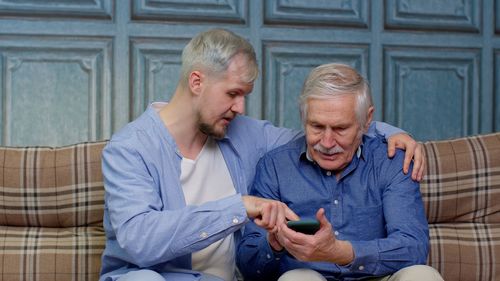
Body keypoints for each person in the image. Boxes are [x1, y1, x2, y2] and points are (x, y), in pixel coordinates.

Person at [99, 29, 426, 281]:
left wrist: (390, 132)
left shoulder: (242, 133)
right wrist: (240, 206)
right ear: (196, 81)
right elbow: (139, 239)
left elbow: (320, 135)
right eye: (233, 93)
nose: (240, 107)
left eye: (244, 96)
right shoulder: (129, 149)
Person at [237, 63, 443, 281]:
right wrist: (274, 244)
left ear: (367, 120)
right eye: (316, 126)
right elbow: (248, 268)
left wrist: (342, 252)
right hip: (307, 277)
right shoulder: (275, 166)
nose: (326, 142)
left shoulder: (390, 161)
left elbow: (413, 247)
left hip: (376, 276)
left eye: (340, 129)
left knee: (423, 275)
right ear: (303, 118)